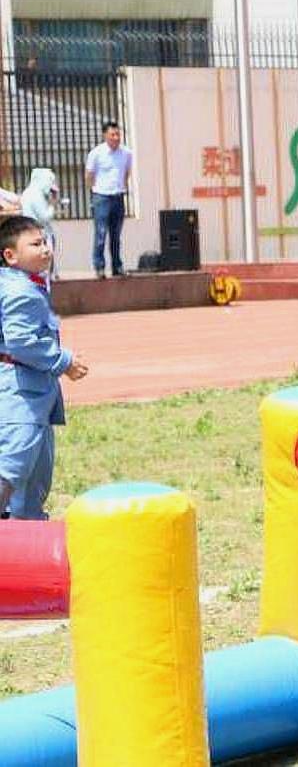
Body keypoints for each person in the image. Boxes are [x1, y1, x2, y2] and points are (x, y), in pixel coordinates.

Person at [0, 216, 89, 520]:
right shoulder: (19, 290)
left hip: (33, 389)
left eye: (45, 242)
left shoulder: (25, 283)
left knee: (36, 469)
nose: (45, 249)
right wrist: (63, 361)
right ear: (10, 256)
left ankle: (25, 531)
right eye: (35, 244)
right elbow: (21, 341)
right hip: (19, 393)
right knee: (15, 462)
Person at [84, 120, 133, 279]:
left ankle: (117, 267)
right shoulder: (96, 153)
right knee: (101, 234)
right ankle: (99, 267)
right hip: (101, 197)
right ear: (105, 135)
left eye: (118, 134)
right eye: (113, 134)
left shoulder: (126, 153)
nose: (116, 137)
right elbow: (89, 176)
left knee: (116, 235)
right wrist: (94, 192)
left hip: (118, 196)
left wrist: (122, 187)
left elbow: (126, 172)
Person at [19, 169, 60, 282]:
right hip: (40, 233)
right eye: (50, 181)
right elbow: (45, 216)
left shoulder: (28, 192)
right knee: (43, 268)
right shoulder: (35, 195)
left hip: (29, 230)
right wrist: (52, 204)